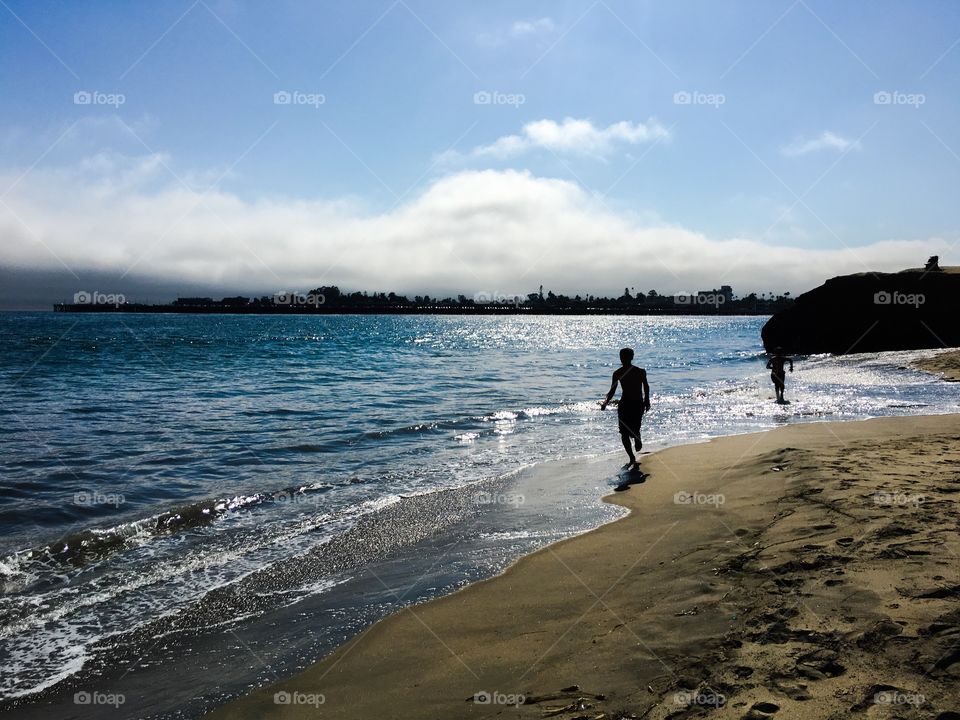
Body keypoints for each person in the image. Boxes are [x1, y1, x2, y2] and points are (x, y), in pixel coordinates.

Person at [600, 348, 650, 469]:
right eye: (622, 357)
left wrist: (647, 400)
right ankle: (632, 455)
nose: (623, 359)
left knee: (629, 431)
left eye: (623, 357)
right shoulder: (633, 372)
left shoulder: (631, 372)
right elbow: (612, 390)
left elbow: (645, 386)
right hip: (631, 404)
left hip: (632, 404)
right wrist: (606, 402)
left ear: (626, 358)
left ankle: (635, 445)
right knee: (627, 431)